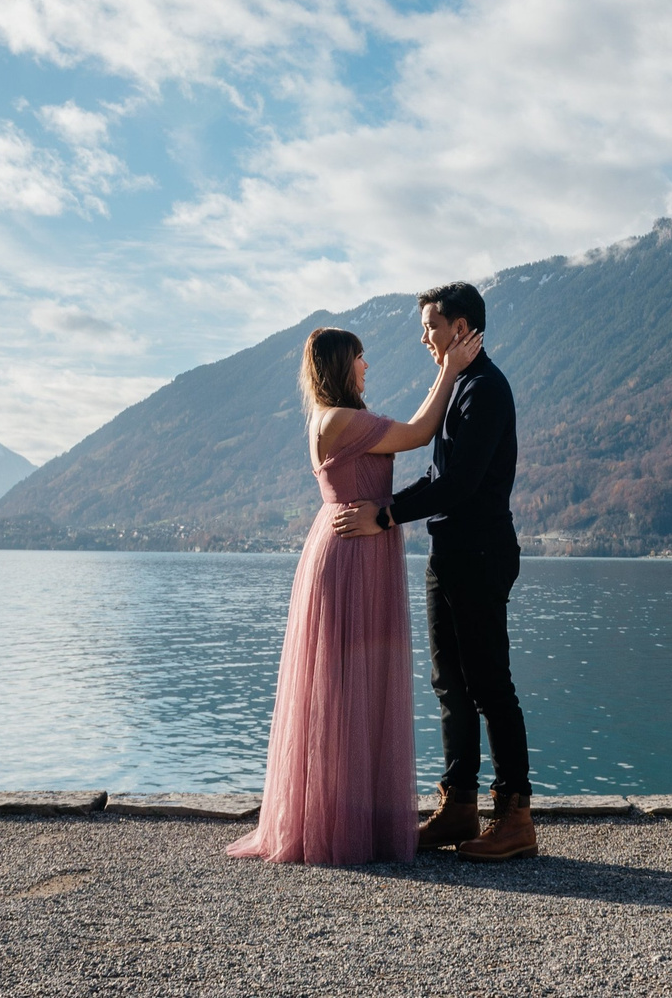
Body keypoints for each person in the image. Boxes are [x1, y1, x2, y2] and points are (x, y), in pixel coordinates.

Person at [226, 318, 483, 866]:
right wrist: (449, 369)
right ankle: (345, 827)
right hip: (354, 551)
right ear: (342, 365)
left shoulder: (327, 418)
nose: (369, 365)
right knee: (351, 686)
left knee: (343, 687)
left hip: (348, 543)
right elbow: (417, 434)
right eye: (361, 357)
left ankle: (340, 816)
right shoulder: (344, 419)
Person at [330, 282, 533, 861]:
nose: (423, 337)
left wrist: (388, 513)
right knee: (452, 686)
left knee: (491, 686)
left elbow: (459, 483)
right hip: (449, 552)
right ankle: (461, 808)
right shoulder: (462, 385)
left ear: (462, 328)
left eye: (431, 327)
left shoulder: (486, 390)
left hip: (481, 553)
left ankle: (515, 817)